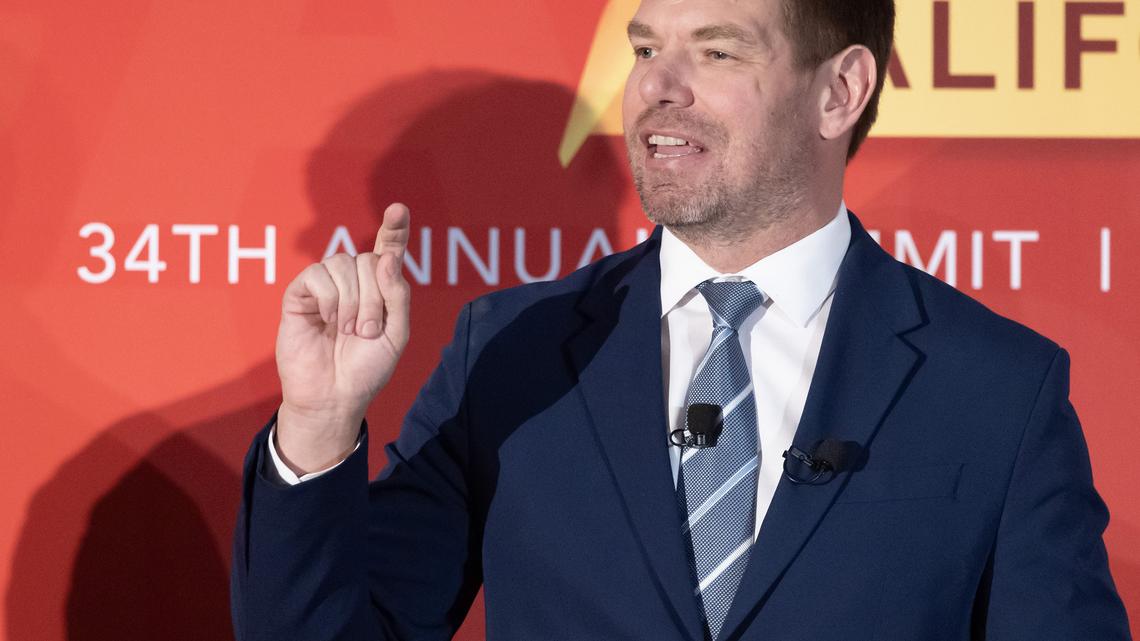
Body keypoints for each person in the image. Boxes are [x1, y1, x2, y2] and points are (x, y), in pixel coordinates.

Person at [230, 0, 1132, 638]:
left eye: (718, 50)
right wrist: (316, 424)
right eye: (643, 47)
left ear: (840, 89)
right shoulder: (509, 352)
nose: (658, 87)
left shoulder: (997, 387)